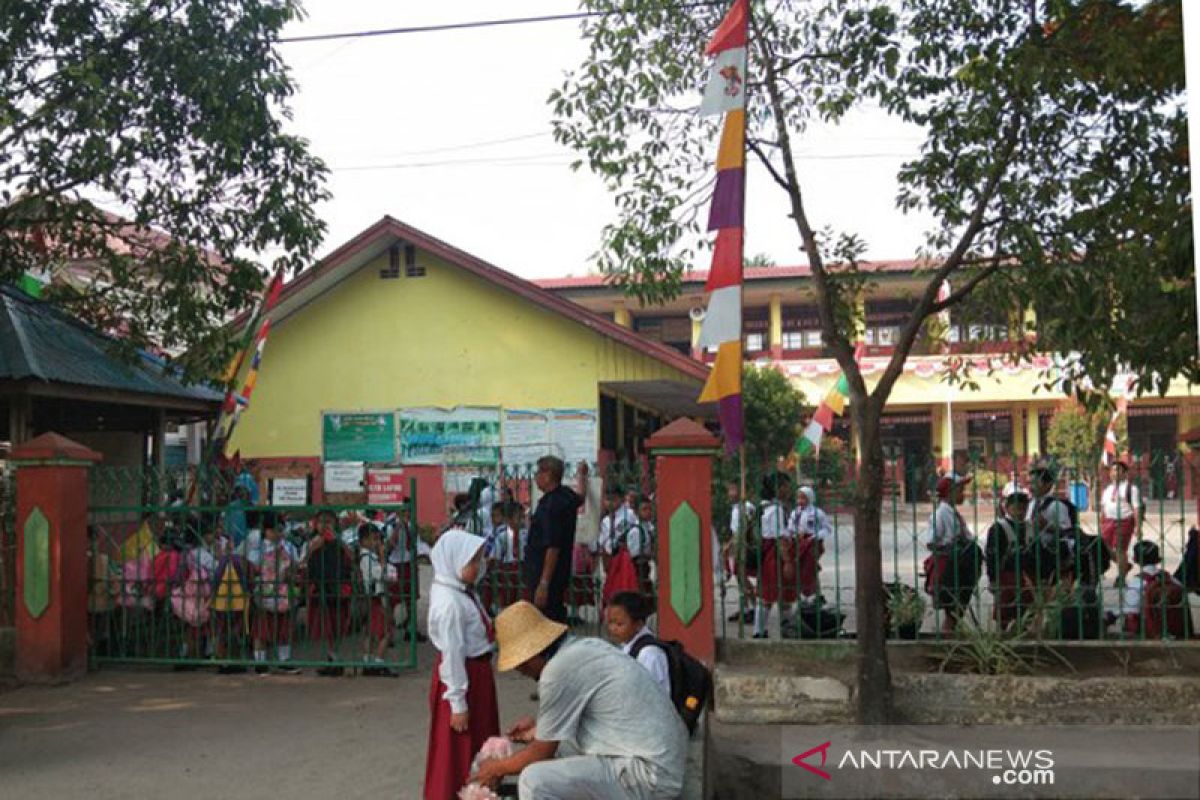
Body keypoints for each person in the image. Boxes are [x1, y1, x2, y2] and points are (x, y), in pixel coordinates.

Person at [472, 601, 687, 800]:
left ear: (531, 655)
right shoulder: (581, 648)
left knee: (534, 780)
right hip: (662, 762)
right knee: (562, 750)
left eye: (521, 664)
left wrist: (497, 768)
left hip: (649, 774)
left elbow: (541, 752)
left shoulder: (557, 671)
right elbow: (558, 737)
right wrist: (538, 731)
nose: (521, 672)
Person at [424, 529, 500, 800]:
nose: (478, 568)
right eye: (472, 562)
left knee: (479, 744)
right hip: (461, 679)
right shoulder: (450, 604)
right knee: (457, 751)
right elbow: (452, 654)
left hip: (475, 675)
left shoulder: (460, 591)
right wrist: (457, 704)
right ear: (453, 561)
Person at [522, 456, 586, 624]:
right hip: (559, 574)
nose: (535, 477)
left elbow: (553, 546)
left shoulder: (551, 506)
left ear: (548, 475)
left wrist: (544, 583)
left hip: (545, 574)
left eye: (538, 472)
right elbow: (581, 497)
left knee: (546, 622)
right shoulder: (566, 496)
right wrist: (582, 476)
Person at [923, 473, 981, 635]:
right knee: (953, 609)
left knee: (957, 608)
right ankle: (947, 636)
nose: (963, 493)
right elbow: (931, 541)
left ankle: (949, 634)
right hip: (949, 565)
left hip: (959, 562)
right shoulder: (940, 514)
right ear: (950, 492)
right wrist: (952, 544)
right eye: (960, 489)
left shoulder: (953, 513)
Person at [305, 510, 355, 676]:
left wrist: (339, 543)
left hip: (338, 587)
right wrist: (312, 549)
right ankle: (330, 658)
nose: (325, 525)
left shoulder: (341, 542)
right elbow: (302, 564)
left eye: (328, 522)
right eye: (321, 522)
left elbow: (352, 559)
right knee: (324, 626)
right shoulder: (312, 543)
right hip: (320, 588)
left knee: (338, 624)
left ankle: (335, 657)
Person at [250, 511, 300, 674]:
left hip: (284, 592)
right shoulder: (258, 547)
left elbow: (295, 566)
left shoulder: (289, 546)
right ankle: (260, 661)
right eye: (275, 530)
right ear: (267, 530)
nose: (279, 533)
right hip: (264, 592)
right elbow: (251, 568)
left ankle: (284, 660)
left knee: (284, 628)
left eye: (281, 529)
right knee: (262, 629)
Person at [1119, 540, 1191, 640]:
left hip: (1149, 630)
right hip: (1174, 628)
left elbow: (1130, 610)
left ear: (1135, 559)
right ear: (1158, 559)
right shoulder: (1170, 579)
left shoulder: (1137, 581)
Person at [984, 487, 1034, 629]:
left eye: (1024, 509)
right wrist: (993, 578)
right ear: (1007, 508)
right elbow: (992, 556)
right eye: (1017, 508)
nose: (1020, 512)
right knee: (1005, 612)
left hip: (1028, 576)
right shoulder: (999, 528)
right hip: (1007, 576)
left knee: (1027, 612)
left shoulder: (1030, 526)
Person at [753, 471, 795, 639]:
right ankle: (760, 631)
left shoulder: (763, 506)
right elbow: (779, 538)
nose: (788, 490)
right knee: (769, 594)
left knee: (778, 593)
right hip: (774, 556)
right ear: (778, 488)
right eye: (785, 486)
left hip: (767, 554)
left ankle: (781, 628)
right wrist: (787, 562)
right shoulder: (776, 510)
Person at [605, 591, 670, 696]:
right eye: (610, 622)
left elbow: (652, 695)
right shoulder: (626, 646)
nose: (613, 628)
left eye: (619, 624)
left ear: (638, 624)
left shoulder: (649, 654)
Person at [1028, 462, 1078, 589]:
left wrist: (1047, 526)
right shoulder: (1030, 504)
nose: (1031, 487)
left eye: (1035, 483)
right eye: (1029, 483)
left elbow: (1068, 533)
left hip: (1051, 553)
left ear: (1048, 484)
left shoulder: (1057, 506)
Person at [359, 522, 399, 676]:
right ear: (364, 541)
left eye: (378, 540)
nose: (377, 543)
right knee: (385, 632)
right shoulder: (367, 558)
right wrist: (382, 558)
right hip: (376, 596)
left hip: (373, 596)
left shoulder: (369, 557)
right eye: (373, 540)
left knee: (371, 631)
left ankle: (368, 661)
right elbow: (379, 575)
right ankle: (378, 662)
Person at [386, 502, 425, 642]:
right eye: (404, 513)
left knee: (411, 598)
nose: (407, 516)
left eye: (409, 513)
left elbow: (416, 544)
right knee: (392, 599)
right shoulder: (391, 526)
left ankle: (411, 629)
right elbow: (389, 545)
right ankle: (388, 633)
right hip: (396, 563)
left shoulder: (411, 526)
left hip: (408, 563)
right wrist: (398, 528)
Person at [1101, 460, 1142, 585]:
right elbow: (1104, 507)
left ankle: (1122, 577)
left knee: (1120, 549)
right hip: (1108, 522)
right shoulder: (1107, 489)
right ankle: (1125, 566)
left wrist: (1138, 526)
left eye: (1118, 470)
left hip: (1124, 521)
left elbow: (1136, 508)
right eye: (1112, 470)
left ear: (1125, 474)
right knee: (1104, 547)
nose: (1114, 473)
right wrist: (1101, 522)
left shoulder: (1131, 489)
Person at [787, 486, 831, 604]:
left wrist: (813, 537)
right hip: (799, 543)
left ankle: (813, 594)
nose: (800, 501)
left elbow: (826, 529)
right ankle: (811, 594)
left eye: (803, 498)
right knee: (801, 568)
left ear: (810, 498)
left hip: (813, 543)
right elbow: (790, 527)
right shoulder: (795, 512)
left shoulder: (817, 513)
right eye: (799, 498)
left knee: (810, 568)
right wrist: (795, 533)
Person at [722, 481, 756, 624]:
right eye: (729, 489)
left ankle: (754, 607)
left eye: (734, 489)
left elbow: (741, 530)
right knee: (740, 577)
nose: (731, 493)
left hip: (744, 546)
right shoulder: (736, 508)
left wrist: (728, 546)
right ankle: (746, 608)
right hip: (738, 545)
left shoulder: (745, 508)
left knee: (742, 576)